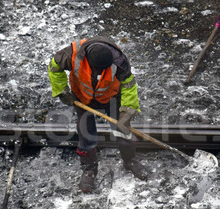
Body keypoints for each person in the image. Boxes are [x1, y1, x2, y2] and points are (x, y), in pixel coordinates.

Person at [48, 36, 149, 192]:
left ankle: (129, 160)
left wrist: (126, 113)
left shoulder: (119, 61)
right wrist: (62, 91)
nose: (100, 73)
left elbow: (129, 86)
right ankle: (89, 170)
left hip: (112, 96)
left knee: (123, 130)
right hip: (82, 97)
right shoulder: (71, 55)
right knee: (86, 134)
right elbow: (54, 67)